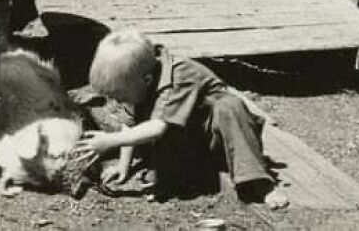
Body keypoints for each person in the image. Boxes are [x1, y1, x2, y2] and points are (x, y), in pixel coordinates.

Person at [74, 29, 288, 209]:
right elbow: (128, 124)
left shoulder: (179, 75)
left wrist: (109, 142)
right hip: (189, 138)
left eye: (120, 96)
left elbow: (158, 127)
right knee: (158, 177)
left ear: (146, 80)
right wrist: (123, 166)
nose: (118, 101)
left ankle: (260, 182)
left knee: (229, 106)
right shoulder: (137, 81)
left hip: (220, 138)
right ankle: (181, 177)